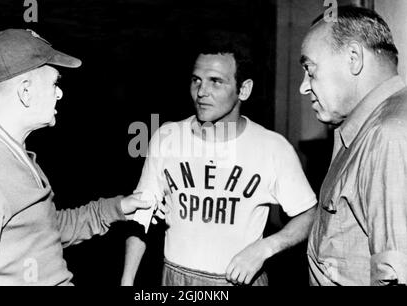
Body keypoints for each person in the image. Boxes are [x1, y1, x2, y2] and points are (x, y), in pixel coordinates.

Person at [121, 32, 317, 286]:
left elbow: (308, 213)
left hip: (239, 281)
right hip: (176, 278)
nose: (202, 91)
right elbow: (141, 214)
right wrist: (126, 281)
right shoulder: (166, 137)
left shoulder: (273, 147)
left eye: (216, 82)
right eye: (196, 80)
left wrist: (266, 248)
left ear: (243, 90)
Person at [0, 29, 150, 285]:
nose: (59, 93)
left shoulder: (8, 150)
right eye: (54, 83)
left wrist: (118, 209)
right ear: (25, 91)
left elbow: (43, 230)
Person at [300, 6, 407, 286]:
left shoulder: (388, 135)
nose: (304, 86)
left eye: (309, 70)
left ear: (354, 58)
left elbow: (394, 278)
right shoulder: (364, 129)